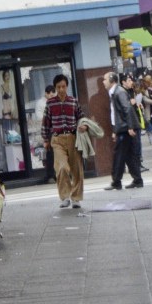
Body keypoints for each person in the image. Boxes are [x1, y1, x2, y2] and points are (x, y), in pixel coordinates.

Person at [41, 73, 89, 209]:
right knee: (61, 167)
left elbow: (81, 117)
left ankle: (76, 198)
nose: (61, 89)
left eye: (63, 86)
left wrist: (84, 126)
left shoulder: (73, 101)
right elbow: (46, 122)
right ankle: (65, 196)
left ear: (67, 86)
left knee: (76, 169)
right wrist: (45, 139)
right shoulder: (50, 103)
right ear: (55, 88)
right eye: (58, 87)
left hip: (73, 138)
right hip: (57, 139)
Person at [103, 72, 143, 190]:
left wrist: (130, 127)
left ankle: (116, 182)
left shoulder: (119, 92)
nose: (103, 82)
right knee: (129, 155)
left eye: (105, 79)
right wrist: (116, 130)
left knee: (119, 155)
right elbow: (117, 114)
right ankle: (137, 180)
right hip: (124, 128)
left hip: (126, 129)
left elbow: (127, 109)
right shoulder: (115, 92)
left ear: (111, 80)